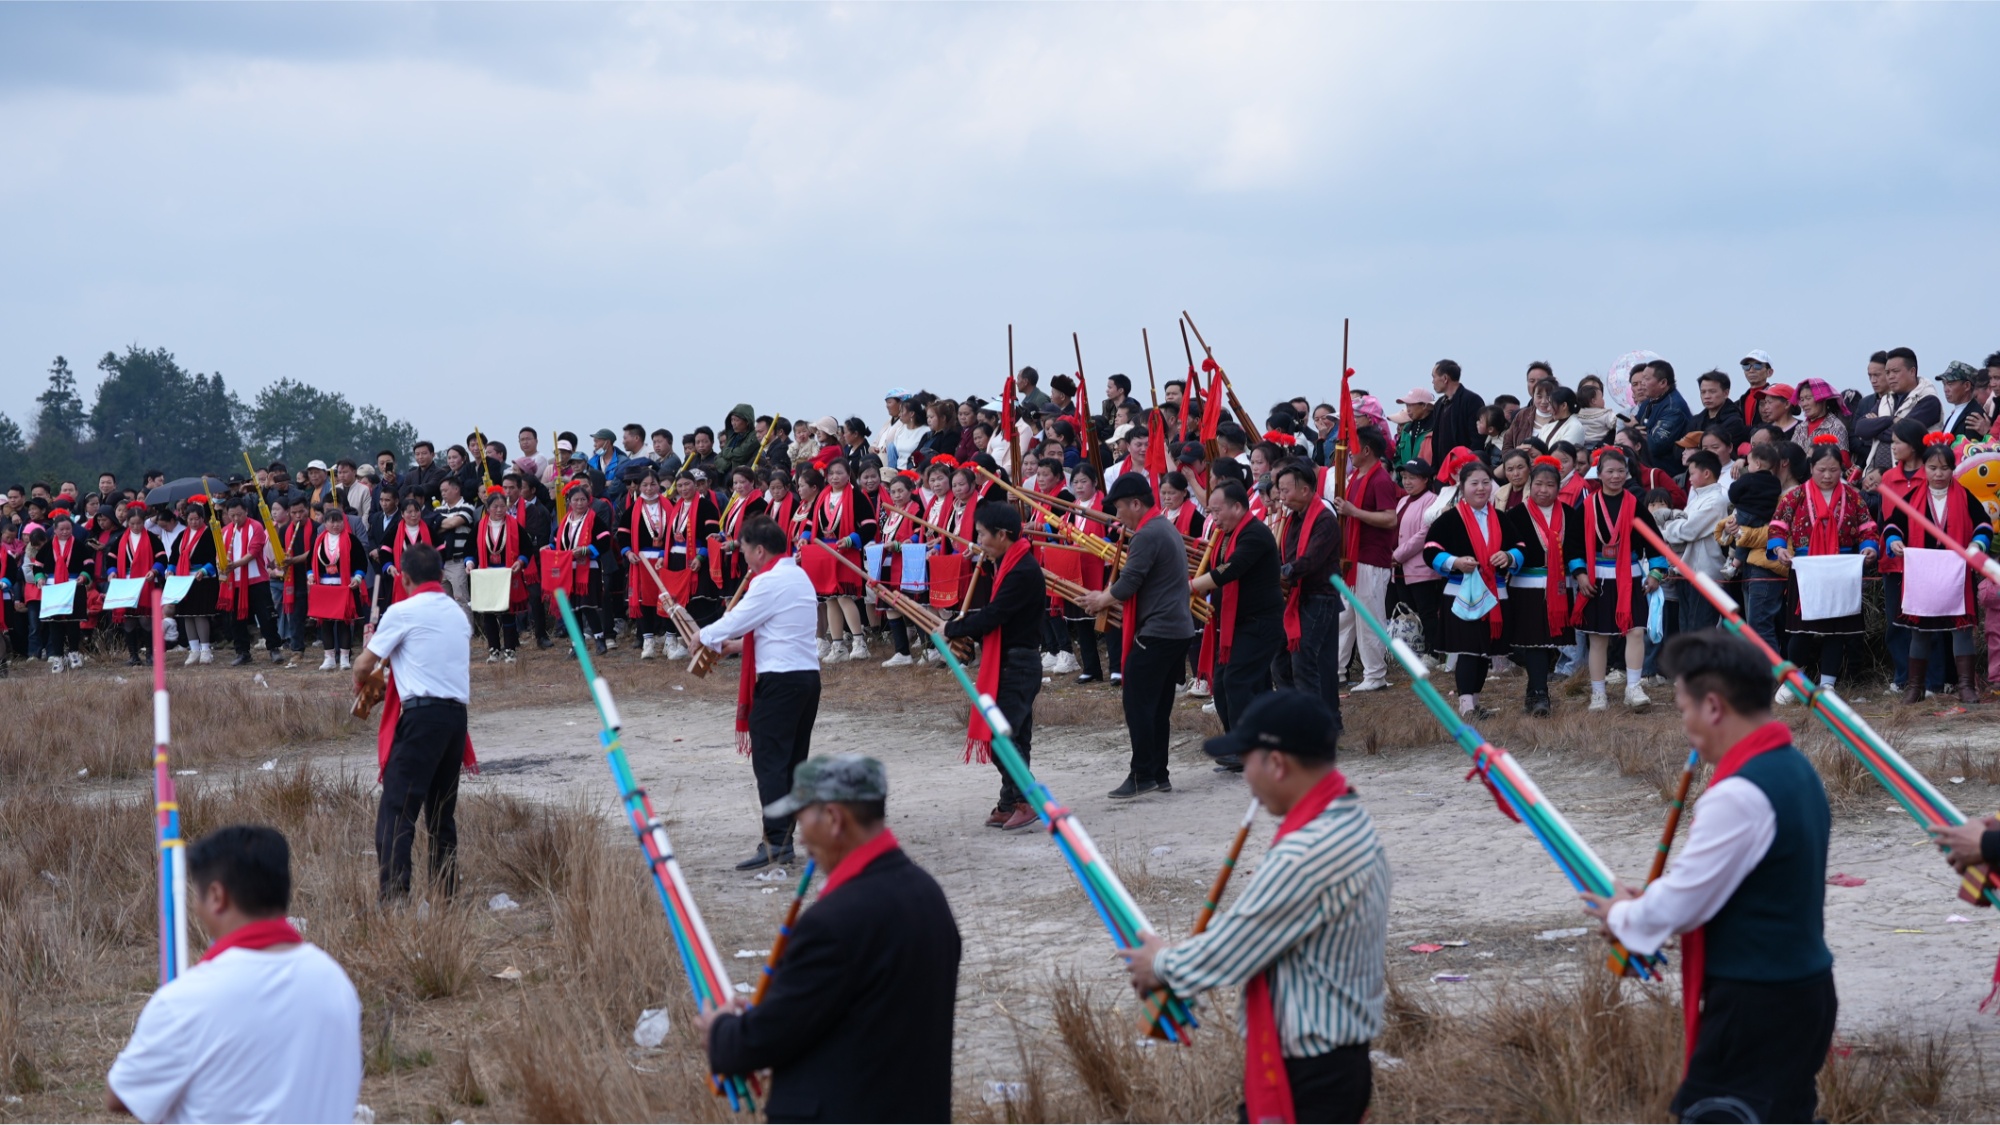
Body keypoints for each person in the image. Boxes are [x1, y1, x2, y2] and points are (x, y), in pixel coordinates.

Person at [1582, 630, 1836, 1125]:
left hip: (1758, 1000)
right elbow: (1728, 883)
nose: (1685, 724)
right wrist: (1652, 899)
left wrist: (1624, 914)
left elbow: (1684, 903)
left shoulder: (1739, 792)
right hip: (1801, 990)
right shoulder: (1794, 767)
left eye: (1684, 709)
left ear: (1714, 707)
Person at [1123, 692, 1390, 1125]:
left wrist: (1161, 963)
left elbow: (1238, 945)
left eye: (1247, 761)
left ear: (1277, 764)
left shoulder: (1308, 852)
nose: (1246, 777)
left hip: (1312, 1073)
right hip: (1335, 1061)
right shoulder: (1346, 816)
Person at [701, 755, 959, 1123]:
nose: (801, 837)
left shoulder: (832, 924)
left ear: (834, 819)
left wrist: (721, 1031)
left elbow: (764, 1040)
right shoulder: (928, 895)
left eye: (802, 818)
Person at [106, 825, 363, 1124]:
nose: (196, 908)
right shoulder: (336, 981)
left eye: (197, 896)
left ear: (216, 896)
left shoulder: (186, 1000)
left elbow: (120, 1095)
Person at [697, 515, 822, 869]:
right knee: (792, 762)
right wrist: (734, 647)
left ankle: (776, 842)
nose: (745, 558)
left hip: (780, 681)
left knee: (770, 764)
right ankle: (783, 839)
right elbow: (778, 628)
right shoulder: (798, 575)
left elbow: (737, 619)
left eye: (745, 551)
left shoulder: (768, 581)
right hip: (806, 678)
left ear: (760, 550)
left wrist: (701, 636)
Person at [354, 542, 475, 901]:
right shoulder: (457, 613)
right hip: (456, 720)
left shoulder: (402, 611)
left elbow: (363, 666)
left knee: (397, 810)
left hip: (421, 718)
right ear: (440, 575)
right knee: (441, 815)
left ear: (404, 578)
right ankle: (446, 894)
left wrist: (368, 668)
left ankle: (394, 899)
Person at [1081, 473, 1196, 798]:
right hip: (1177, 630)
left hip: (1160, 631)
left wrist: (1101, 600)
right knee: (1157, 706)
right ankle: (1158, 773)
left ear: (1135, 504)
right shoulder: (1162, 527)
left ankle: (1142, 774)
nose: (1117, 516)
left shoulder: (1148, 534)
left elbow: (1130, 581)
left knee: (1138, 703)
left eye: (1119, 508)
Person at [942, 502, 1046, 831]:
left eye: (982, 535)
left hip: (1017, 664)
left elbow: (996, 614)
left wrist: (952, 628)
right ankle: (1009, 802)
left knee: (1002, 738)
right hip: (1011, 660)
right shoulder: (1008, 563)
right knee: (1015, 737)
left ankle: (1027, 800)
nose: (979, 541)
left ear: (1002, 535)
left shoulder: (1022, 570)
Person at [1768, 441, 1877, 695]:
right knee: (1801, 630)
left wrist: (1869, 548)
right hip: (1806, 568)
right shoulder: (1795, 496)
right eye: (1821, 470)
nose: (1827, 475)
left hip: (1841, 569)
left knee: (1836, 630)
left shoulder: (1853, 497)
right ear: (1811, 468)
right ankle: (1793, 681)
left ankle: (1828, 682)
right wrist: (1779, 549)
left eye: (1833, 470)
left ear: (1842, 470)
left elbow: (1867, 528)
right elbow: (1778, 526)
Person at [1192, 481, 1283, 761]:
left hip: (1259, 623)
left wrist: (1191, 587)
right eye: (1210, 511)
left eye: (1217, 511)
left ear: (1238, 507)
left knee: (1237, 681)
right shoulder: (1225, 535)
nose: (1213, 517)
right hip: (1235, 625)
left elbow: (1230, 570)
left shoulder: (1255, 534)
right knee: (1224, 684)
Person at [1569, 448, 1664, 711]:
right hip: (1597, 577)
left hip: (1629, 575)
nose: (1616, 476)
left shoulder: (1635, 505)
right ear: (1598, 474)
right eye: (1610, 471)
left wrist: (1656, 573)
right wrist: (1580, 574)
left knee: (1635, 631)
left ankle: (1633, 688)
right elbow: (1573, 544)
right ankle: (1598, 693)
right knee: (1598, 637)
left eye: (1621, 471)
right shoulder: (1587, 506)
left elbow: (1654, 540)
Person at [1270, 463, 1345, 722]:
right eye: (1279, 490)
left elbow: (1311, 560)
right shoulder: (1292, 517)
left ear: (1304, 490)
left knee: (1304, 658)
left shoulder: (1324, 518)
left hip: (1319, 596)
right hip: (1295, 595)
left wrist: (1280, 573)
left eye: (1285, 490)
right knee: (1279, 657)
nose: (1281, 496)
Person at [1332, 426, 1400, 693]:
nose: (1349, 451)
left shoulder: (1380, 479)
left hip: (1371, 559)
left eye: (1354, 446)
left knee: (1369, 618)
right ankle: (1336, 671)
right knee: (1345, 617)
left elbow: (1390, 518)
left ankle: (1375, 675)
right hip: (1353, 558)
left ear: (1367, 450)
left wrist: (1354, 512)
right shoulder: (1355, 476)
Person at [1426, 361, 1485, 466]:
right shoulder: (1439, 404)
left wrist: (1470, 465)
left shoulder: (1472, 400)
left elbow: (1477, 439)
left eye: (1434, 377)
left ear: (1445, 378)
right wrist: (1435, 469)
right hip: (1443, 468)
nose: (1432, 381)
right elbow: (1436, 441)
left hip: (1464, 467)